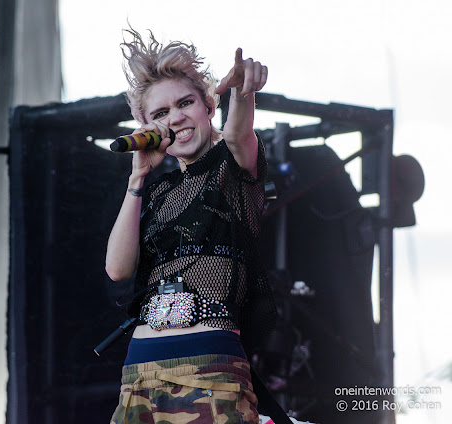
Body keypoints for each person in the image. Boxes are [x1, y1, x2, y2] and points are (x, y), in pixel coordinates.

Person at [105, 27, 278, 424]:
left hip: (211, 368)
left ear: (208, 107)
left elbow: (239, 135)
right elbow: (117, 268)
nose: (176, 118)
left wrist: (242, 93)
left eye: (185, 103)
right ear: (146, 124)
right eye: (161, 113)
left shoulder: (232, 169)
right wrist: (136, 181)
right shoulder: (161, 191)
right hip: (141, 371)